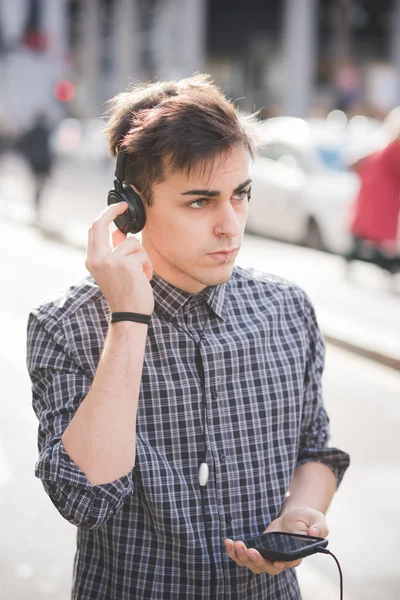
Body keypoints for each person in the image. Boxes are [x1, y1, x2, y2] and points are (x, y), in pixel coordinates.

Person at [26, 74, 349, 600]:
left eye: (240, 195)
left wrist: (298, 514)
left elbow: (316, 447)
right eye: (200, 202)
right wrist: (129, 317)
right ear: (130, 208)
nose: (231, 225)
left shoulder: (287, 309)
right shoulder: (66, 325)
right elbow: (83, 498)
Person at [345, 107, 400, 276]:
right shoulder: (394, 147)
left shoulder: (387, 144)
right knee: (376, 237)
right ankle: (388, 267)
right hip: (383, 197)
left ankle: (356, 257)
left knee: (369, 236)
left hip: (378, 195)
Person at [18, 112, 53, 222]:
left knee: (37, 184)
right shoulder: (47, 132)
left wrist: (28, 157)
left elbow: (21, 144)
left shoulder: (33, 132)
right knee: (40, 184)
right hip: (43, 163)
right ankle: (37, 203)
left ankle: (37, 203)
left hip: (35, 163)